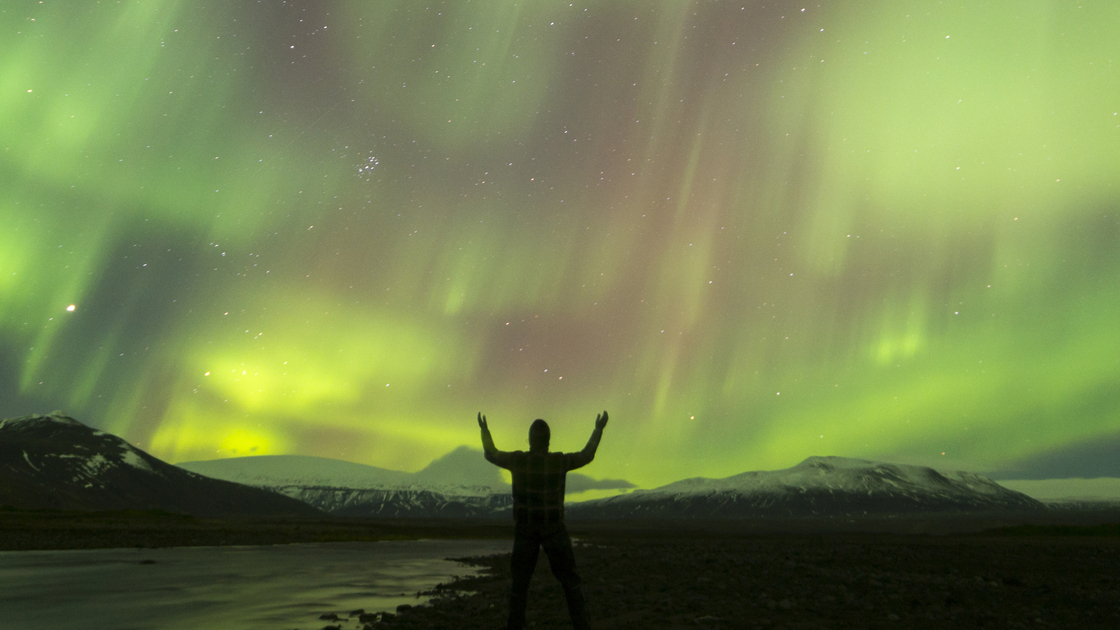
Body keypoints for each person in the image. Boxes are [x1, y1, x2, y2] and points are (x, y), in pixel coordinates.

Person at [478, 410, 608, 630]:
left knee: (520, 585)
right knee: (571, 584)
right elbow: (587, 455)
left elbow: (491, 454)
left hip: (525, 530)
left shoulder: (518, 460)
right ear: (548, 441)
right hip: (554, 529)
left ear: (530, 440)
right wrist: (598, 429)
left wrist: (485, 431)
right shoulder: (559, 461)